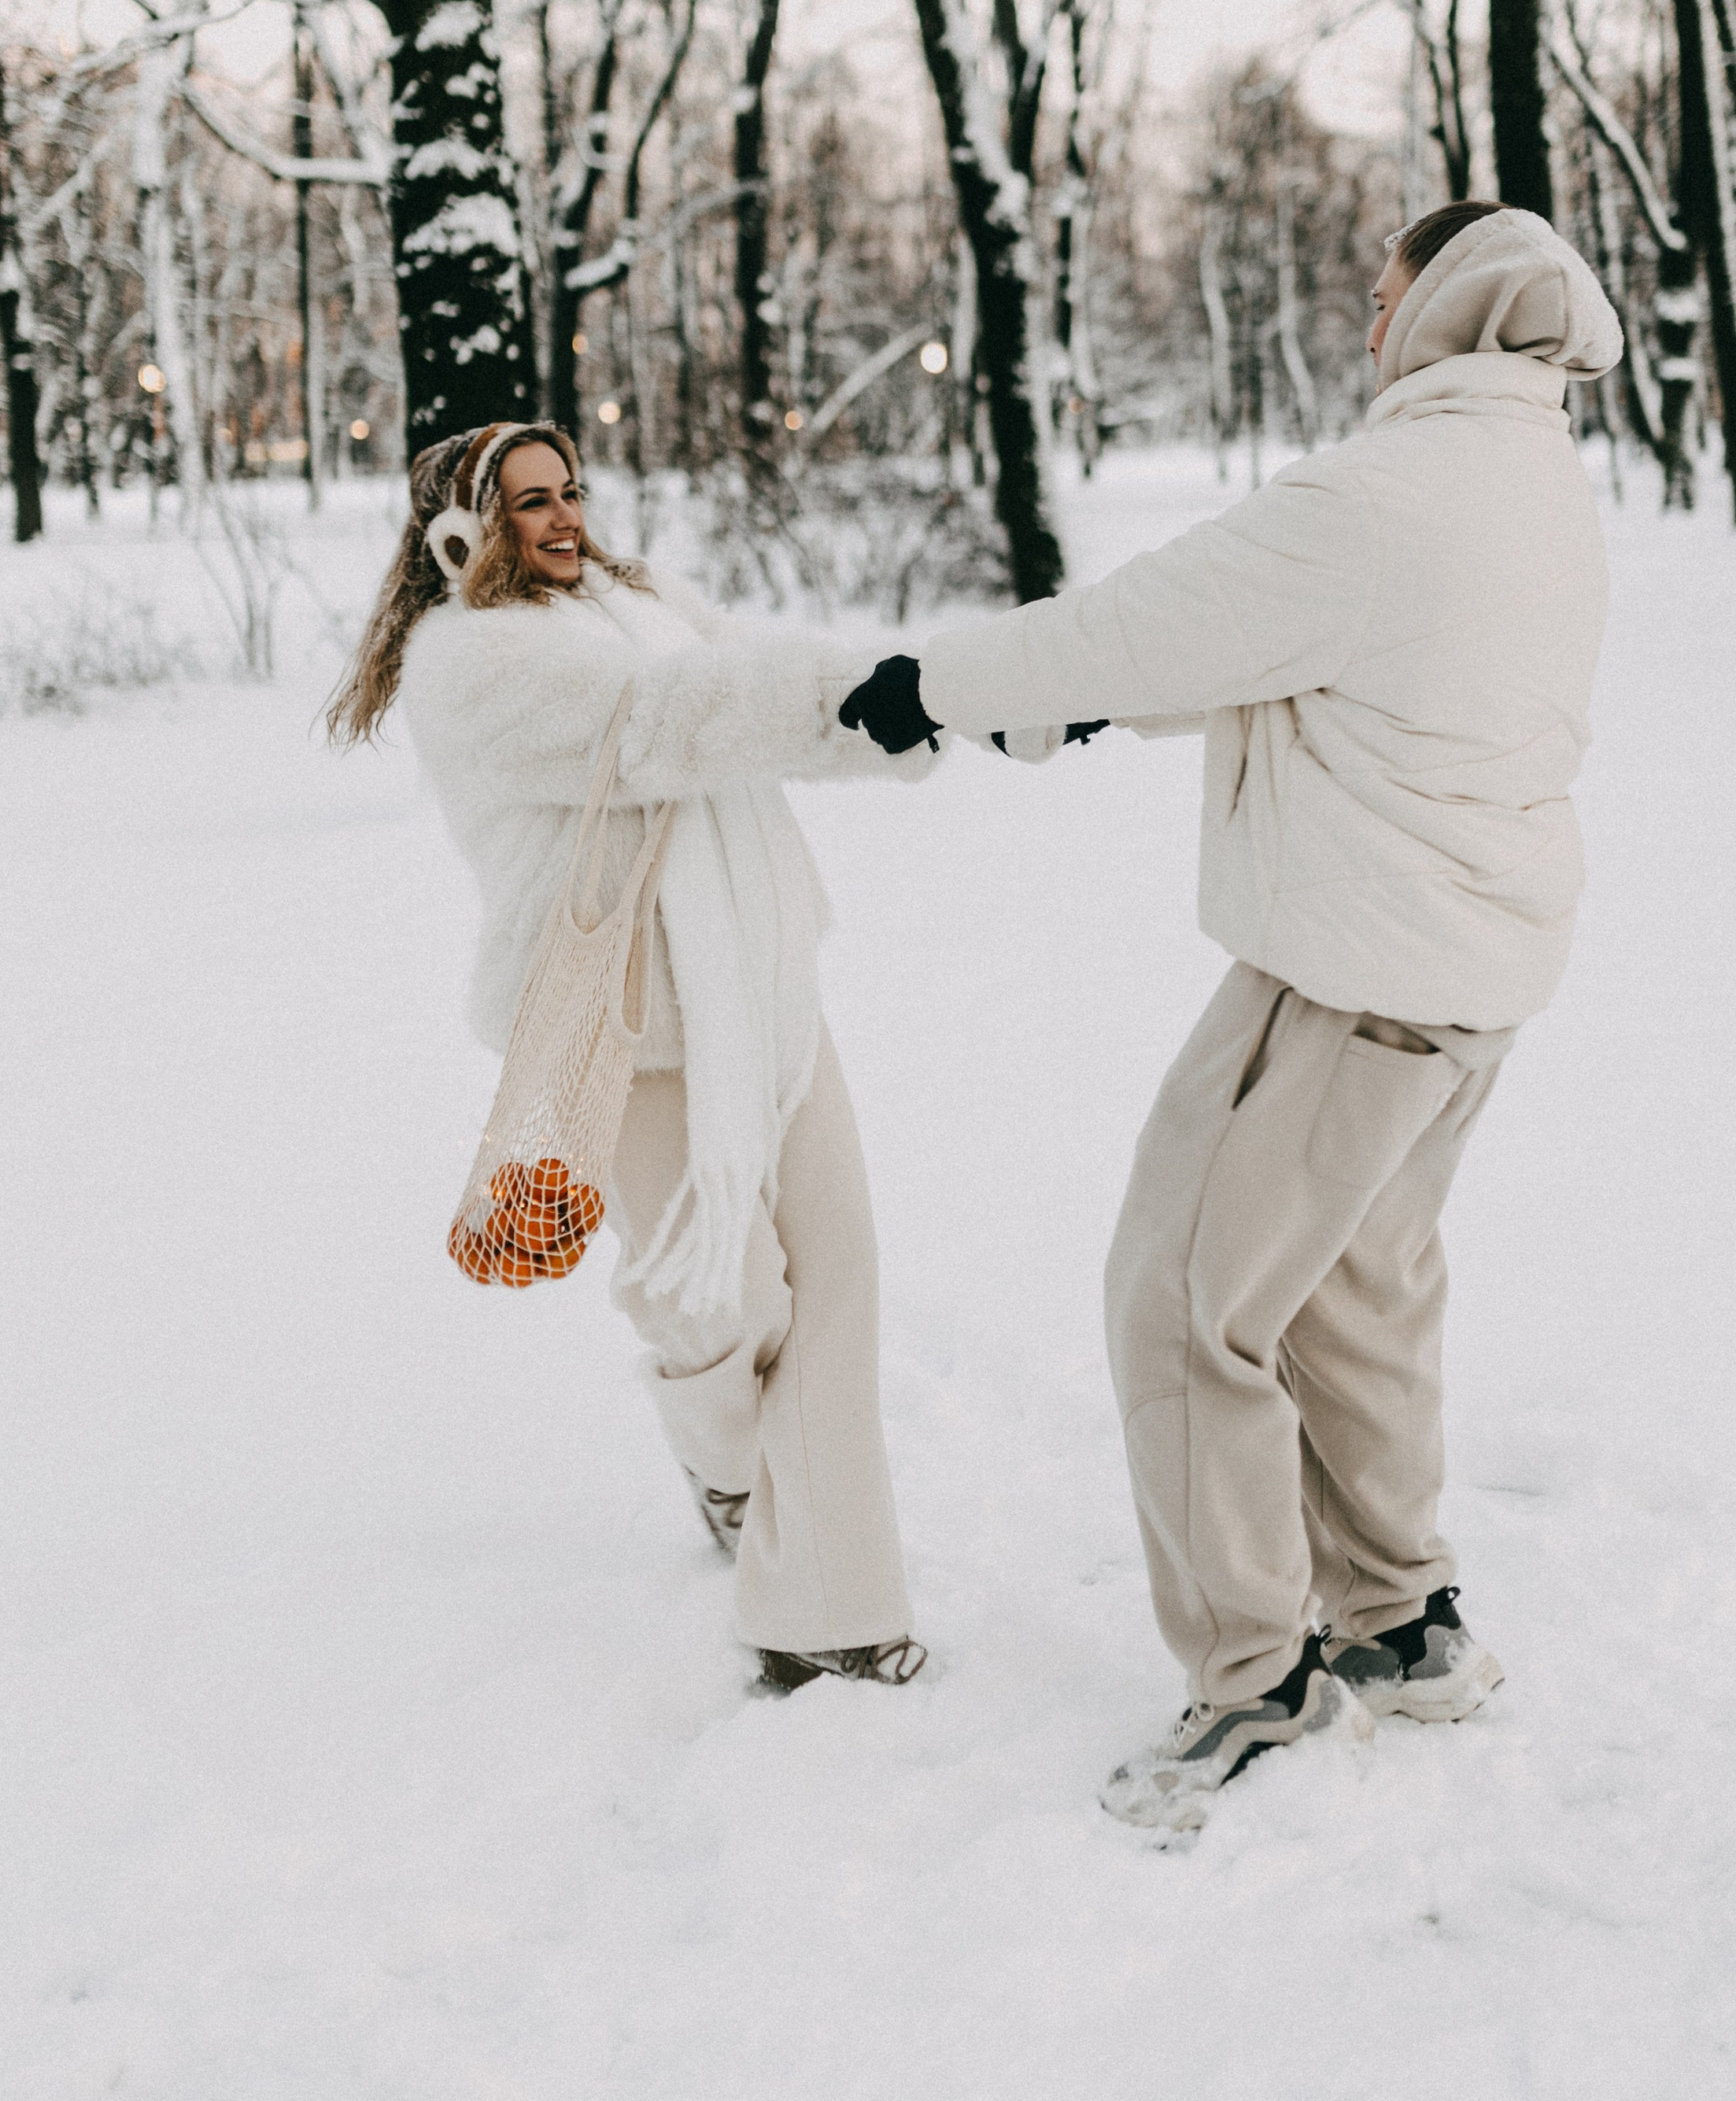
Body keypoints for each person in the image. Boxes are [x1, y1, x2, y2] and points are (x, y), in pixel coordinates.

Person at [840, 203, 1623, 1827]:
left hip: (1348, 979)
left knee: (1185, 1302)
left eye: (1383, 291)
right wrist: (1058, 714)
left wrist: (938, 685)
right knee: (1353, 1300)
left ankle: (1252, 1673)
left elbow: (1146, 623)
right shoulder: (1531, 479)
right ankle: (1403, 1622)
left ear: (1447, 302)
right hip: (1466, 980)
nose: (1363, 324)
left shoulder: (1380, 495)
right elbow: (1275, 657)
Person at [328, 419, 929, 1695]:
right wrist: (857, 694)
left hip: (764, 983)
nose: (564, 520)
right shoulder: (468, 662)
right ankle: (725, 1471)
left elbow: (755, 687)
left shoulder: (640, 603)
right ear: (458, 531)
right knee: (719, 1299)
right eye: (527, 502)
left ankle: (827, 1605)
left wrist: (923, 706)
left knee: (836, 1281)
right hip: (632, 1025)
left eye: (571, 491)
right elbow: (665, 727)